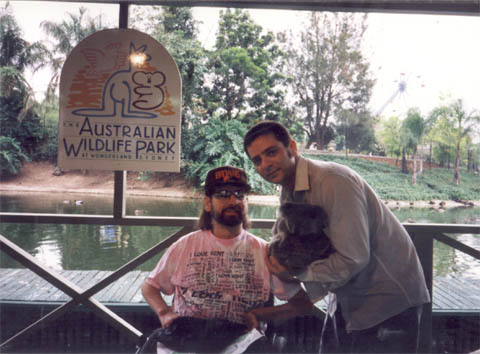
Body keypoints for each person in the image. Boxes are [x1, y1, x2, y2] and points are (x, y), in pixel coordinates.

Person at [243, 121, 431, 353]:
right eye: (257, 160)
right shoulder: (290, 188)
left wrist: (296, 274)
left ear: (291, 147)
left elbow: (354, 258)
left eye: (271, 152)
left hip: (388, 300)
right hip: (347, 296)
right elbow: (283, 239)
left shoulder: (333, 181)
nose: (265, 165)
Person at [141, 165, 313, 353]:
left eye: (239, 194)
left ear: (246, 202)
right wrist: (164, 313)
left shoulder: (264, 251)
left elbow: (303, 304)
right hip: (186, 340)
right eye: (223, 194)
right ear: (208, 203)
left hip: (242, 343)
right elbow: (150, 286)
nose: (233, 200)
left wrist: (259, 314)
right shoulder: (184, 245)